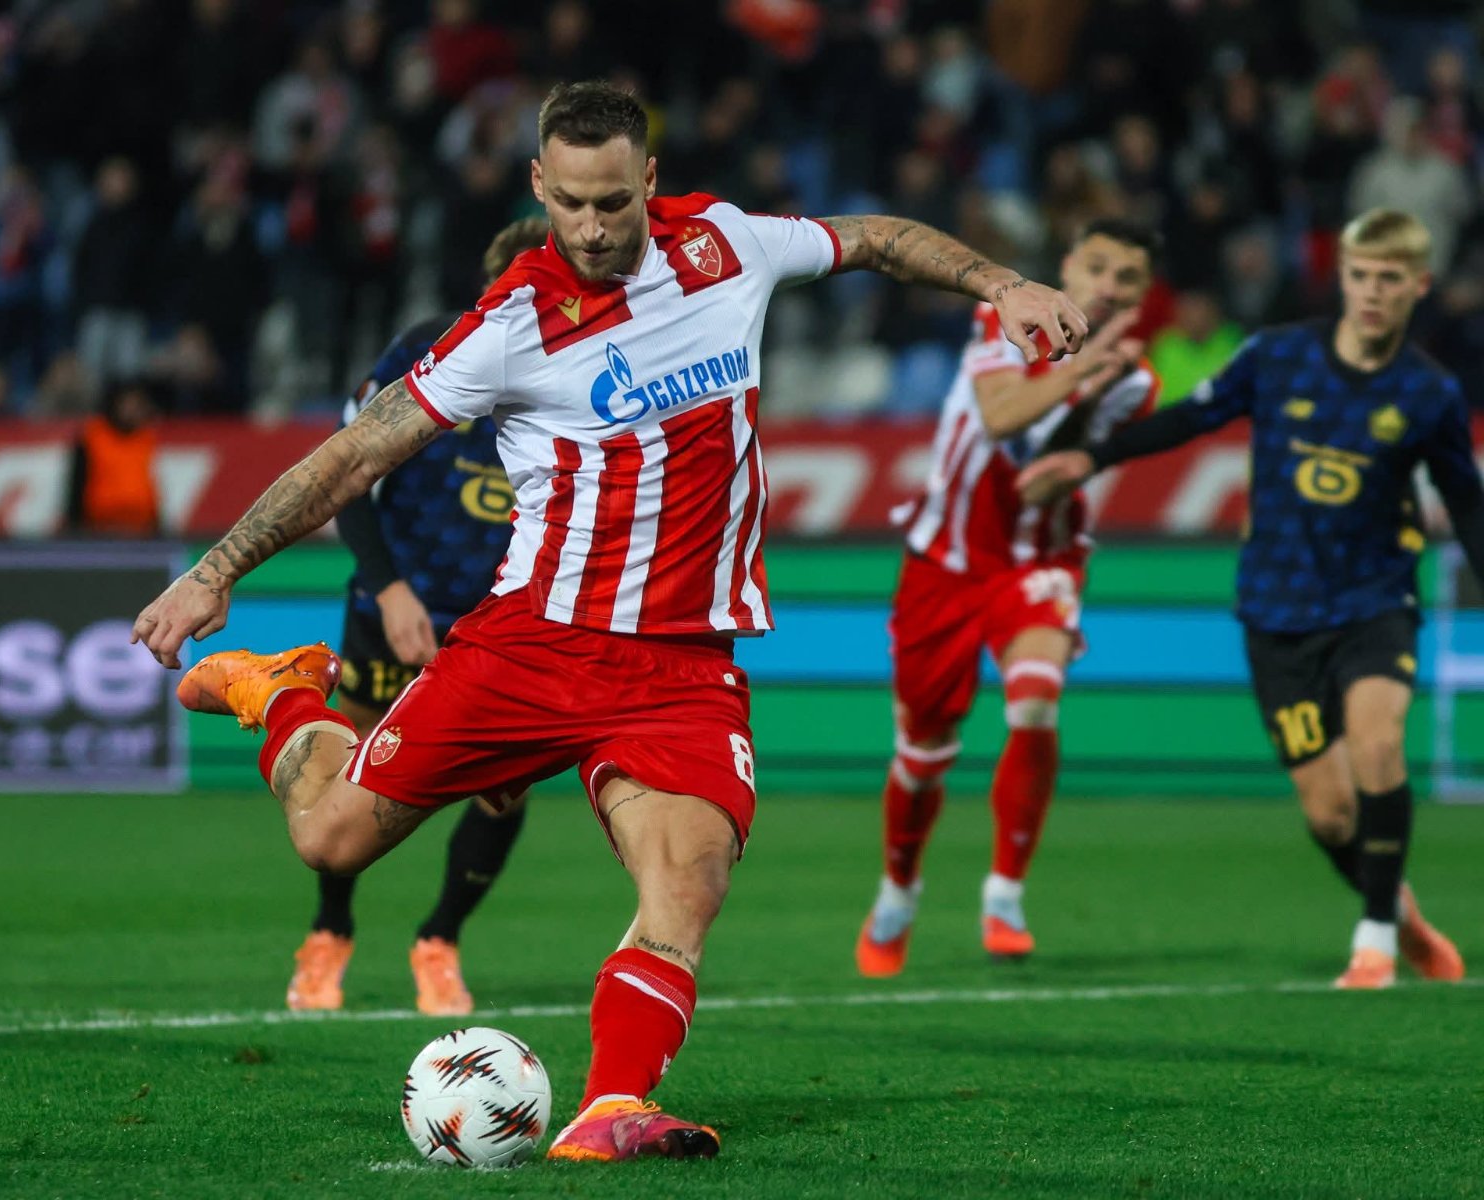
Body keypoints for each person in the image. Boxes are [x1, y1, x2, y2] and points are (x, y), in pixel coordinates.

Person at [132, 81, 1086, 1162]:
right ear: (540, 185)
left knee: (688, 880)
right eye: (571, 204)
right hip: (533, 646)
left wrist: (1003, 284)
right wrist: (215, 571)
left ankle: (609, 1106)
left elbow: (871, 238)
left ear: (648, 181)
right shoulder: (511, 324)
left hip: (681, 666)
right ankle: (279, 691)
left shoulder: (725, 245)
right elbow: (354, 455)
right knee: (330, 838)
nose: (590, 229)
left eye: (613, 204)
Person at [1019, 208, 1475, 990]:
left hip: (1375, 601)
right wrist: (1093, 458)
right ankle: (1400, 915)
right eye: (1361, 276)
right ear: (1342, 277)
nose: (1373, 292)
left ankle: (1372, 941)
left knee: (1378, 746)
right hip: (1277, 609)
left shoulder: (1429, 393)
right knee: (1329, 814)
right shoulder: (1279, 356)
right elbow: (1192, 418)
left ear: (1419, 285)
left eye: (1390, 279)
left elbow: (1466, 503)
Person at [855, 218, 1160, 977]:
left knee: (1035, 700)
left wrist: (1095, 390)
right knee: (924, 752)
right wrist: (1082, 372)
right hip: (943, 561)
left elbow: (1044, 478)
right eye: (1097, 267)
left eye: (1126, 278)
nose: (1108, 288)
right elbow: (998, 416)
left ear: (1142, 295)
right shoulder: (1003, 316)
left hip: (1038, 557)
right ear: (1069, 266)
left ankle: (1005, 894)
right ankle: (898, 891)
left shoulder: (1136, 384)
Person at [288, 215, 550, 1017]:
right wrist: (389, 587)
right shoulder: (429, 350)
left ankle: (439, 941)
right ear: (490, 289)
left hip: (500, 626)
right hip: (393, 605)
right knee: (351, 774)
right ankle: (329, 933)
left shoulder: (581, 367)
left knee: (505, 789)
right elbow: (344, 472)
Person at [66, 379, 160, 536]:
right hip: (99, 528)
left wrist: (157, 522)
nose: (132, 410)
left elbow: (151, 484)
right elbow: (78, 482)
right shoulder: (92, 436)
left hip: (142, 529)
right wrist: (75, 524)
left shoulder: (146, 438)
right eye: (127, 403)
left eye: (137, 404)